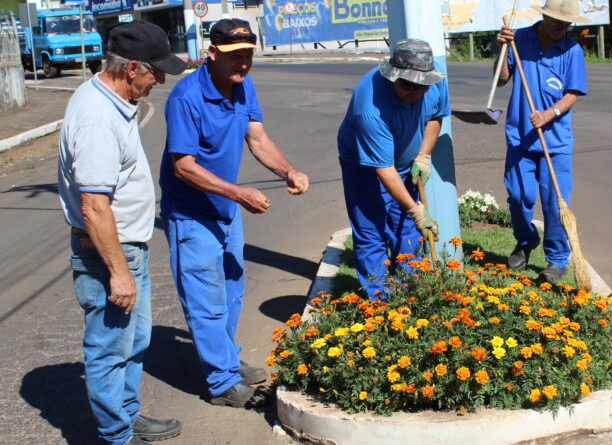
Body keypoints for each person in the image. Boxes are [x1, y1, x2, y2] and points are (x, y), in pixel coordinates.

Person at [159, 18, 309, 408]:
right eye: (234, 56)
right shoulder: (186, 97)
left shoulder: (243, 86)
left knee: (231, 290)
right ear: (212, 54)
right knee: (205, 298)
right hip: (191, 212)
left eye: (247, 56)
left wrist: (287, 170)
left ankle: (225, 359)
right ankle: (221, 382)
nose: (242, 63)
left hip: (226, 208)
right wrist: (239, 192)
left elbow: (256, 137)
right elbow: (184, 166)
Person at [57, 21, 186, 445]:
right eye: (156, 72)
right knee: (110, 348)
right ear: (132, 68)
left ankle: (126, 415)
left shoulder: (111, 99)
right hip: (109, 253)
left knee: (134, 339)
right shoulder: (98, 120)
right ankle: (116, 435)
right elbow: (94, 206)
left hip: (127, 246)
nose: (160, 81)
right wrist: (118, 272)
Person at [337, 39, 448, 300]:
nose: (415, 92)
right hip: (365, 167)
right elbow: (383, 168)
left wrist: (422, 155)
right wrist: (416, 209)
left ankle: (410, 290)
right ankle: (381, 303)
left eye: (421, 86)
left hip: (405, 162)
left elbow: (435, 116)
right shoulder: (370, 108)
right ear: (393, 75)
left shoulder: (434, 78)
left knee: (406, 228)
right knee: (371, 232)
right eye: (407, 85)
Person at [495, 0, 588, 281]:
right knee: (519, 196)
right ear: (544, 17)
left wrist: (549, 114)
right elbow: (501, 79)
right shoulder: (519, 39)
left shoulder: (572, 51)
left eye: (567, 24)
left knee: (553, 202)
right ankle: (526, 240)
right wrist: (502, 48)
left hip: (555, 141)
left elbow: (572, 94)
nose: (562, 28)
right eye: (557, 22)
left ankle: (556, 260)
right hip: (520, 137)